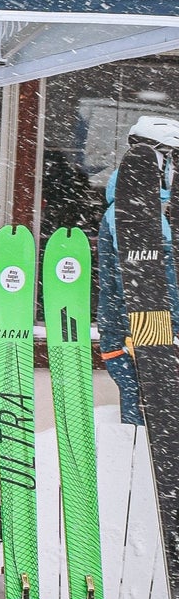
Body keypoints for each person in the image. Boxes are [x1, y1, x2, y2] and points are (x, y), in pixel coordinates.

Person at [97, 115, 179, 424]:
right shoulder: (131, 212)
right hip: (135, 334)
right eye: (167, 159)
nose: (171, 170)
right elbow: (145, 283)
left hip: (135, 334)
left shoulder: (146, 212)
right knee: (148, 411)